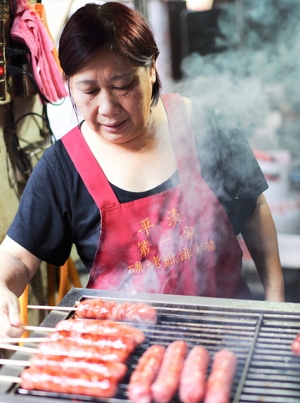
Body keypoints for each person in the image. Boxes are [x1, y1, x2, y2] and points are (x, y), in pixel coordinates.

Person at [0, 2, 284, 339]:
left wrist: (275, 302)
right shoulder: (62, 168)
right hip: (120, 354)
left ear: (150, 69)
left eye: (122, 86)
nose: (107, 108)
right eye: (88, 91)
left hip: (229, 338)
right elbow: (17, 257)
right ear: (68, 83)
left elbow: (254, 209)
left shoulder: (208, 125)